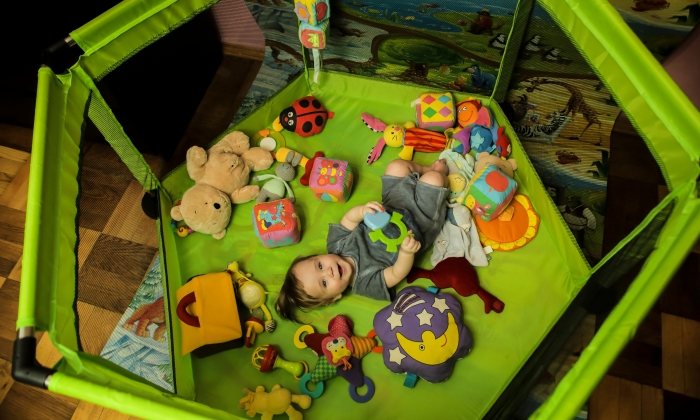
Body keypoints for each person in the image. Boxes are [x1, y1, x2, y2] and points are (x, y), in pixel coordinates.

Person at [276, 158, 449, 323]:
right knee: (434, 179)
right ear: (333, 298)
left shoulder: (336, 245)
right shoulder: (365, 284)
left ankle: (426, 169)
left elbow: (349, 220)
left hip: (394, 202)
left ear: (318, 256)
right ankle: (436, 174)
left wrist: (362, 211)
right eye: (324, 283)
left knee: (396, 167)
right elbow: (396, 274)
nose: (328, 271)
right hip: (419, 222)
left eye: (320, 265)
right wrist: (406, 252)